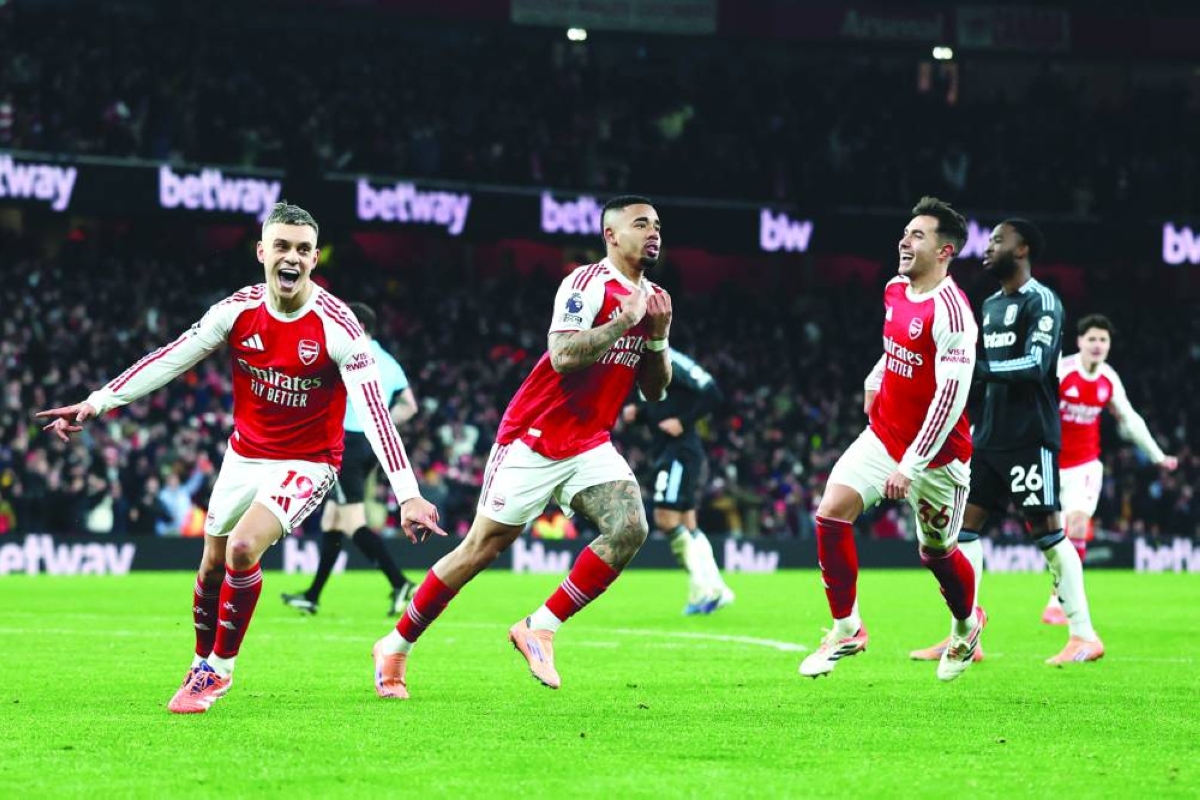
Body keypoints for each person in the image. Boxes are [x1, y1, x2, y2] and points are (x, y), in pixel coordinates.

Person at [37, 202, 445, 714]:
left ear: (315, 258)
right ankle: (200, 659)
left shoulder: (340, 327)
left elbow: (376, 413)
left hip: (310, 461)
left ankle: (219, 672)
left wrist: (407, 494)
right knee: (209, 568)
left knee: (242, 548)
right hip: (245, 454)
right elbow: (172, 356)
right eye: (281, 246)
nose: (291, 257)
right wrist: (96, 403)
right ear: (262, 252)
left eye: (302, 249)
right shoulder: (237, 310)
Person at [370, 195, 672, 699]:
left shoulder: (657, 299)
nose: (653, 232)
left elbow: (656, 390)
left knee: (630, 527)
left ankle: (540, 626)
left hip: (589, 441)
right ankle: (395, 644)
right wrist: (624, 321)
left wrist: (657, 336)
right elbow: (562, 356)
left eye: (658, 225)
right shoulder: (585, 284)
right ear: (612, 235)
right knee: (479, 551)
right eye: (641, 224)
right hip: (533, 435)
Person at [798, 196, 983, 683]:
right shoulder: (895, 289)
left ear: (945, 251)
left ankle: (967, 627)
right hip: (883, 437)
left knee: (937, 552)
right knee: (831, 512)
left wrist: (912, 465)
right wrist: (875, 377)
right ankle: (847, 628)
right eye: (905, 231)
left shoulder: (955, 316)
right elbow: (895, 348)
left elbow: (951, 396)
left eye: (918, 235)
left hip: (939, 457)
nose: (905, 240)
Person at [909, 218, 1105, 666]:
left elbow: (1036, 366)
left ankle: (1084, 635)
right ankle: (966, 632)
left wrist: (978, 366)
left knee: (1049, 534)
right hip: (990, 436)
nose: (988, 246)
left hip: (1029, 436)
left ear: (1022, 250)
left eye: (998, 240)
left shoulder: (1043, 301)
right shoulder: (991, 305)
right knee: (962, 532)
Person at [281, 301, 422, 617]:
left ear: (355, 326)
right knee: (332, 519)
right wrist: (380, 421)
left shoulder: (350, 355)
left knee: (351, 521)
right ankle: (313, 595)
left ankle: (399, 582)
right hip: (369, 444)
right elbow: (410, 406)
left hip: (346, 442)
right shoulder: (388, 361)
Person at [1041, 314, 1178, 623]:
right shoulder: (1062, 371)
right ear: (1079, 342)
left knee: (1076, 525)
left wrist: (1157, 455)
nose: (1098, 345)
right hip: (1050, 463)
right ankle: (1060, 590)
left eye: (1103, 340)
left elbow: (1130, 420)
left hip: (1086, 466)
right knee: (1053, 535)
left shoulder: (1108, 378)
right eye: (1092, 339)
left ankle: (1058, 598)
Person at [622, 348, 733, 615]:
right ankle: (717, 589)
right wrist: (639, 414)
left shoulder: (671, 359)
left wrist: (684, 421)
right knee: (687, 522)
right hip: (668, 451)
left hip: (679, 451)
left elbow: (713, 393)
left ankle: (702, 590)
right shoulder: (638, 365)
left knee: (665, 517)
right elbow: (662, 408)